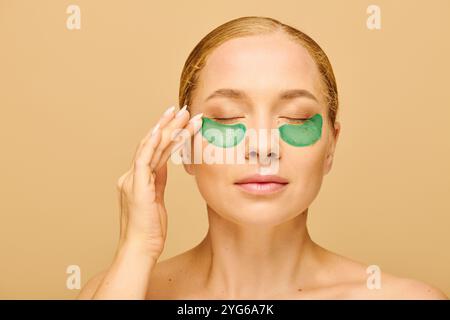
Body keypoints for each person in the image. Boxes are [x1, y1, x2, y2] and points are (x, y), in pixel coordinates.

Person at [77, 16, 448, 300]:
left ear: (331, 145)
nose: (263, 146)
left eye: (298, 118)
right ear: (184, 145)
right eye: (225, 118)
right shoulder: (122, 287)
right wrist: (136, 249)